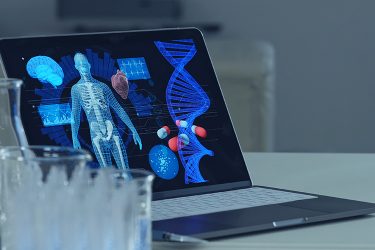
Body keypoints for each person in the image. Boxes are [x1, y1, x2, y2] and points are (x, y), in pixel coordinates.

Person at [71, 53, 142, 169]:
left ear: (89, 65)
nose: (82, 66)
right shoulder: (75, 89)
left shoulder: (103, 86)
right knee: (107, 176)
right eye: (79, 64)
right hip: (96, 135)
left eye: (84, 64)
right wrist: (74, 137)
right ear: (76, 67)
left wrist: (133, 130)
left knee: (125, 172)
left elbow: (118, 108)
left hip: (112, 132)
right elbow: (75, 115)